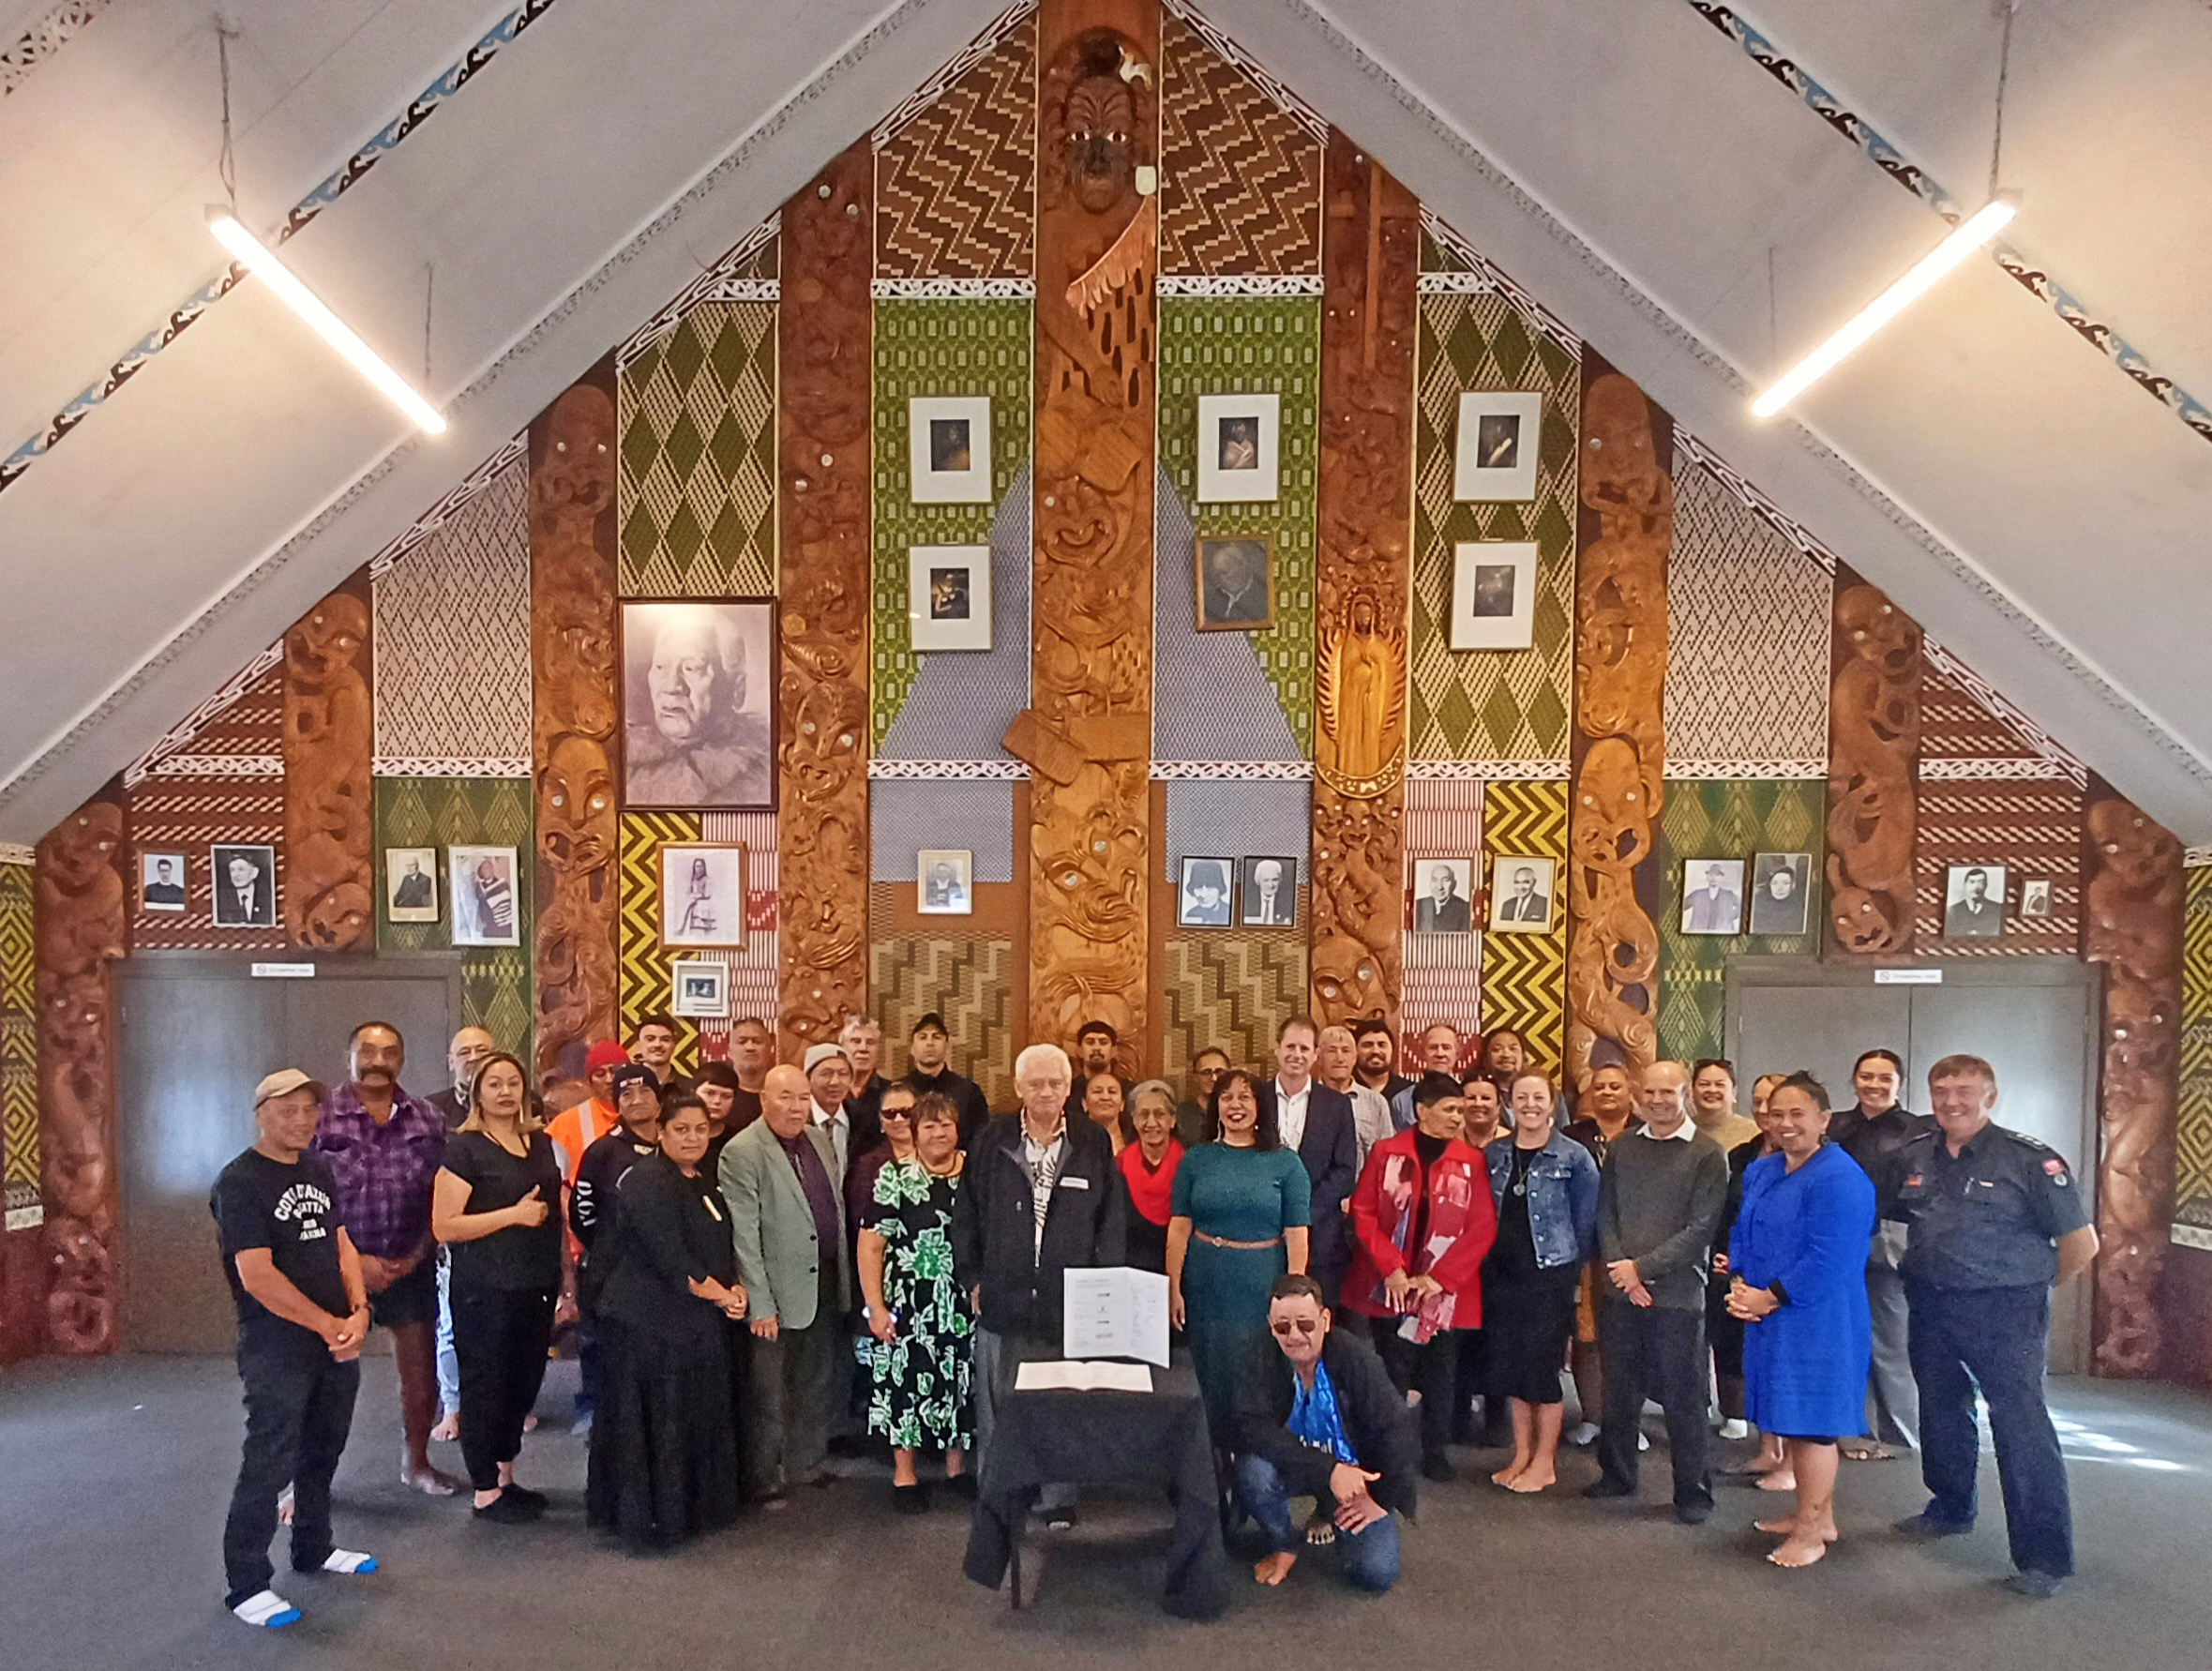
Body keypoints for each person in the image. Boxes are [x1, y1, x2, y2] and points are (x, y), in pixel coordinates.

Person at [1884, 1055, 2099, 1598]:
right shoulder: (1914, 1156)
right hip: (1931, 1304)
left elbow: (2081, 1245)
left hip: (2005, 1313)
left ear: (1991, 1097)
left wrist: (2030, 1288)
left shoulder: (2030, 1160)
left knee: (2020, 1426)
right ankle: (1950, 1506)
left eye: (1965, 1091)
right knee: (1940, 1407)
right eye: (1941, 1090)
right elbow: (1898, 1225)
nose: (1951, 1101)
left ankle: (2044, 1557)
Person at [213, 1070, 377, 1630]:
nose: (302, 1120)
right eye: (287, 1111)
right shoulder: (239, 1182)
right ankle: (247, 1584)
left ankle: (314, 1547)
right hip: (275, 1343)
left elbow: (341, 1242)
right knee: (270, 1456)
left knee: (324, 1448)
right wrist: (326, 1323)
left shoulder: (317, 1167)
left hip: (333, 1335)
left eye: (309, 1109)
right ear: (260, 1114)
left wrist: (358, 1311)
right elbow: (256, 1275)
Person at [953, 1043, 1127, 1526]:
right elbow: (965, 1216)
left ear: (1069, 1088)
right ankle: (1002, 1494)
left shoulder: (1092, 1141)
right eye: (1036, 1083)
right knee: (1000, 1406)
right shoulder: (991, 1140)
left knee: (1061, 1403)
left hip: (1068, 1301)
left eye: (1055, 1083)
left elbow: (1111, 1221)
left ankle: (1058, 1498)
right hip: (1002, 1297)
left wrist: (1104, 1288)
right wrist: (971, 1280)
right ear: (1017, 1088)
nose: (1046, 1092)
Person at [1726, 1072, 1875, 1570]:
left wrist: (1770, 1297)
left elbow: (1830, 1259)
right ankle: (1816, 1515)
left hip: (1820, 1318)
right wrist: (1742, 1285)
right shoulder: (1763, 1170)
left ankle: (1811, 1532)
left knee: (1815, 1425)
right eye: (1776, 1114)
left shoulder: (1843, 1178)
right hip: (1769, 1314)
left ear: (1824, 1120)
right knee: (1788, 1415)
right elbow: (1742, 1230)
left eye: (1798, 1115)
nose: (1786, 1124)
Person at [589, 1092, 749, 1549]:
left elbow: (716, 1244)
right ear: (661, 1132)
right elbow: (670, 1255)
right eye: (681, 1129)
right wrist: (723, 1297)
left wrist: (733, 1287)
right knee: (658, 1422)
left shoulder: (701, 1178)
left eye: (701, 1129)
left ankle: (692, 1509)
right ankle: (653, 1518)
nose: (693, 1137)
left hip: (693, 1320)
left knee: (690, 1416)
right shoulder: (646, 1180)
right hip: (647, 1324)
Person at [311, 1021, 457, 1495]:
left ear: (402, 1059)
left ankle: (417, 1463)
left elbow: (442, 1193)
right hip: (333, 1269)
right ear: (348, 1055)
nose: (377, 1062)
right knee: (321, 1380)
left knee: (419, 1378)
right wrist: (354, 1261)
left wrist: (416, 1255)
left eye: (389, 1052)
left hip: (407, 1265)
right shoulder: (319, 1117)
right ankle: (306, 1480)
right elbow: (306, 1197)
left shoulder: (428, 1119)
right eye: (367, 1052)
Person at [1584, 1061, 1729, 1524]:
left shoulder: (1708, 1153)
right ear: (1637, 1095)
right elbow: (1605, 1214)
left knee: (1684, 1397)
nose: (1659, 1099)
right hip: (1621, 1291)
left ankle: (1693, 1491)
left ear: (1685, 1093)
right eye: (1650, 1091)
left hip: (1678, 1295)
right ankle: (1618, 1474)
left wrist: (1641, 1270)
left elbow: (1702, 1229)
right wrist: (1622, 1274)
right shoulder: (1624, 1146)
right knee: (1619, 1389)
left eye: (1668, 1091)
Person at [429, 1051, 562, 1522]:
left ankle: (506, 1477)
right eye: (494, 1084)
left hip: (536, 1283)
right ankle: (485, 1489)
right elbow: (445, 1226)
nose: (505, 1091)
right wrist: (513, 1216)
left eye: (513, 1083)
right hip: (484, 1288)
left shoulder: (540, 1143)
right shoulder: (463, 1148)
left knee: (522, 1382)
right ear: (476, 1093)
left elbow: (552, 1212)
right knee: (486, 1386)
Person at [1344, 1073, 1497, 1482]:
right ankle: (1390, 1448)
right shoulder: (1386, 1153)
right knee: (1391, 1371)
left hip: (1444, 1291)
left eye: (1461, 1110)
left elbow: (1481, 1227)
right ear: (1422, 1111)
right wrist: (1391, 1268)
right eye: (1449, 1110)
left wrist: (1438, 1278)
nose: (1458, 1118)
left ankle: (1435, 1450)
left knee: (1441, 1374)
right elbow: (1364, 1213)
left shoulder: (1470, 1160)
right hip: (1388, 1286)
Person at [1229, 1275, 1419, 1594]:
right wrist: (1328, 1470)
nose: (1294, 1336)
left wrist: (1381, 1499)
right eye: (1282, 1327)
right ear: (1269, 1325)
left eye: (1305, 1324)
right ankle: (1283, 1544)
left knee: (1375, 1573)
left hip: (1355, 1477)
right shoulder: (1257, 1354)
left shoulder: (1355, 1358)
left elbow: (1397, 1429)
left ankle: (1329, 1510)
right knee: (1252, 1469)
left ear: (1325, 1319)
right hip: (1308, 1467)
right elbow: (1250, 1428)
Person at [722, 1062, 848, 1506]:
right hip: (773, 1293)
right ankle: (765, 1477)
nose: (796, 1107)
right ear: (763, 1100)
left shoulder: (817, 1139)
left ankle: (805, 1465)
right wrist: (759, 1301)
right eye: (785, 1097)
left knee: (814, 1381)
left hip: (824, 1281)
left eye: (801, 1098)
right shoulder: (742, 1151)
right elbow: (744, 1234)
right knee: (768, 1391)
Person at [1169, 1068, 1314, 1433]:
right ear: (1216, 1106)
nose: (1236, 1105)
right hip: (1205, 1279)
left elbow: (1297, 1234)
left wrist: (1295, 1293)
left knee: (1256, 1371)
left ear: (1260, 1106)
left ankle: (1253, 1457)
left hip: (1261, 1279)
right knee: (1208, 1369)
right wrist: (1172, 1287)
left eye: (1245, 1097)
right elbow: (1179, 1226)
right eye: (1227, 1097)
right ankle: (1208, 1463)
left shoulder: (1286, 1163)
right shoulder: (1195, 1159)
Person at [857, 1092, 975, 1513]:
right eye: (929, 1125)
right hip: (909, 1298)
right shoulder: (895, 1176)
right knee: (904, 1382)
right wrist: (876, 1306)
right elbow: (871, 1245)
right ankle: (904, 1474)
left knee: (960, 1378)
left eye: (946, 1124)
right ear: (914, 1131)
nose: (938, 1132)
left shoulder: (974, 1172)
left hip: (963, 1297)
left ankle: (956, 1468)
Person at [1483, 1072, 1599, 1494]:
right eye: (1521, 1097)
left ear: (1552, 1105)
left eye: (1538, 1097)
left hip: (1550, 1275)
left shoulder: (1574, 1157)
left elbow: (1587, 1224)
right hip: (1502, 1275)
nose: (1529, 1105)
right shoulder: (1494, 1153)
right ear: (1509, 1103)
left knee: (1542, 1370)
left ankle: (1545, 1462)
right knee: (1513, 1368)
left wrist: (1570, 1276)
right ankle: (1521, 1455)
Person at [1828, 1047, 1929, 1459]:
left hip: (1886, 1241)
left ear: (1899, 1084)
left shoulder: (1917, 1130)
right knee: (1845, 1339)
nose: (1874, 1085)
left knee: (1889, 1339)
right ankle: (1852, 1431)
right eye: (1866, 1076)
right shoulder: (1835, 1125)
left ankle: (1899, 1436)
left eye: (1884, 1078)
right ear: (1854, 1080)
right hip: (1834, 1241)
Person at [546, 1039, 629, 1432]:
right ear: (589, 1078)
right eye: (600, 1073)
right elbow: (556, 1188)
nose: (609, 1079)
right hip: (587, 1245)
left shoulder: (649, 1114)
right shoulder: (567, 1123)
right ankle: (591, 1409)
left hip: (634, 1249)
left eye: (616, 1070)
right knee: (592, 1336)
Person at [1254, 1017, 1358, 1304]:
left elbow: (1345, 1170)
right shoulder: (1255, 1098)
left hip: (1320, 1234)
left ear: (1315, 1055)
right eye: (1290, 1046)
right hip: (1261, 1230)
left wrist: (1303, 1211)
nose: (1296, 1055)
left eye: (1304, 1048)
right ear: (1277, 1050)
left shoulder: (1337, 1105)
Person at [426, 1026, 497, 1445]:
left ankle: (508, 1406)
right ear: (450, 1061)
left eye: (481, 1050)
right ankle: (452, 1407)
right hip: (453, 1237)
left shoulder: (522, 1103)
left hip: (509, 1234)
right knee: (451, 1329)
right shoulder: (432, 1111)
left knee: (504, 1329)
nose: (472, 1057)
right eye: (463, 1052)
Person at [1562, 1062, 1640, 1445]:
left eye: (1615, 1086)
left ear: (1630, 1092)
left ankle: (1628, 1423)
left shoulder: (1647, 1133)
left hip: (1636, 1253)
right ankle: (1592, 1417)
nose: (1607, 1092)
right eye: (1600, 1087)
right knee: (1587, 1337)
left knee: (1629, 1339)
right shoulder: (1572, 1137)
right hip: (1586, 1252)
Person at [624, 610, 772, 805]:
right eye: (660, 666)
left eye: (691, 668)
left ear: (737, 689)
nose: (671, 686)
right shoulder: (624, 755)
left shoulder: (763, 770)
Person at [1712, 1082, 1783, 1453]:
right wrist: (1729, 1257)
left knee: (1780, 1364)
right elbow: (1731, 1214)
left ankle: (1787, 1461)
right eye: (1760, 1103)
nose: (1767, 1111)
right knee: (1741, 1350)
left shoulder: (1810, 1160)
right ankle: (1768, 1451)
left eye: (1776, 1102)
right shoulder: (1743, 1156)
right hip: (1740, 1270)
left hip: (1782, 1279)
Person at [1117, 1080, 1185, 1273]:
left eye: (1160, 1114)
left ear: (1172, 1120)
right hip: (1130, 1272)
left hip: (1181, 1274)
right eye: (1143, 1114)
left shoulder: (1188, 1166)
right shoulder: (1117, 1167)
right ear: (1133, 1120)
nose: (1151, 1123)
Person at [844, 1083, 917, 1264]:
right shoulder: (866, 1168)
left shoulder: (941, 1160)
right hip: (885, 1264)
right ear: (881, 1122)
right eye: (890, 1114)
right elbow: (859, 1225)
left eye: (907, 1112)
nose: (899, 1119)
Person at [903, 1011, 991, 1147]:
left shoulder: (968, 1092)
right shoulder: (900, 1091)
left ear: (947, 1047)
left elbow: (981, 1141)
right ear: (912, 1048)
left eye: (936, 1037)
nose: (930, 1043)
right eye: (923, 1037)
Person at [1317, 1023, 1394, 1167]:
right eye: (1331, 1051)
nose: (1339, 1058)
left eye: (1346, 1051)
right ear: (1318, 1057)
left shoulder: (1376, 1102)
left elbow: (1387, 1155)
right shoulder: (1309, 1099)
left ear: (1355, 1058)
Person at [803, 1040, 858, 1176]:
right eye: (826, 1074)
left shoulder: (862, 1119)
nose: (835, 1082)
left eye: (843, 1074)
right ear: (808, 1079)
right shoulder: (798, 1120)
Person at [840, 1015, 891, 1157]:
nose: (863, 1048)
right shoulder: (829, 1093)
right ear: (842, 1047)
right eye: (855, 1041)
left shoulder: (891, 1094)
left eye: (870, 1042)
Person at [1690, 1058, 1759, 1152]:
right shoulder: (1681, 1129)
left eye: (1720, 1085)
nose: (1712, 1090)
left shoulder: (1753, 1133)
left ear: (1734, 1093)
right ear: (1692, 1092)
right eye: (1704, 1084)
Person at [1067, 1017, 1129, 1120]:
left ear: (1114, 1051)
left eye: (1103, 1042)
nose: (1096, 1048)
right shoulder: (1069, 1091)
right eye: (1090, 1042)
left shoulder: (1128, 1091)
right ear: (1079, 1051)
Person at [1351, 1018, 1415, 1110]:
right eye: (1368, 1045)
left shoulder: (1408, 1092)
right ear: (1355, 1050)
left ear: (1392, 1050)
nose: (1375, 1051)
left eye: (1382, 1045)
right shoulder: (1345, 1089)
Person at [695, 1061, 748, 1169]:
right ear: (693, 1092)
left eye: (726, 1096)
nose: (717, 1101)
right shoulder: (677, 1134)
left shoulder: (739, 1140)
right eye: (710, 1093)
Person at [1174, 1046, 1230, 1149]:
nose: (1214, 1078)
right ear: (1195, 1077)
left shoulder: (1238, 1110)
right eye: (1206, 1072)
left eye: (1219, 1071)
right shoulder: (1183, 1113)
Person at [633, 1013, 693, 1099]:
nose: (658, 1044)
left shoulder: (690, 1089)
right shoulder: (627, 1086)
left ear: (673, 1045)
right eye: (650, 1039)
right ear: (638, 1045)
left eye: (665, 1039)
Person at [727, 1016, 773, 1130]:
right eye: (742, 1042)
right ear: (729, 1051)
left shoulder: (781, 1094)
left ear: (770, 1049)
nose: (750, 1047)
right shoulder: (717, 1098)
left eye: (757, 1041)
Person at [1749, 857, 1805, 935]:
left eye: (1786, 883)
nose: (1779, 888)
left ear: (1793, 885)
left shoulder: (1800, 905)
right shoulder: (1758, 904)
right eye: (1774, 883)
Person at [1683, 863, 1742, 934]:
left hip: (1722, 934)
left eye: (1717, 875)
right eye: (1711, 875)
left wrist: (1730, 915)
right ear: (1707, 877)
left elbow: (1743, 906)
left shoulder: (1728, 895)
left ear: (1721, 877)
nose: (1714, 878)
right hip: (1700, 933)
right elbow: (1681, 906)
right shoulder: (1697, 894)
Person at [1945, 866, 2002, 938]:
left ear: (1986, 885)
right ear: (1965, 885)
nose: (1976, 887)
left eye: (1981, 882)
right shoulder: (1952, 912)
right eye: (1972, 882)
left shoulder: (1999, 910)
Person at [1082, 1071, 1131, 1154]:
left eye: (1112, 1092)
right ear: (1084, 1104)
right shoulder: (1072, 1142)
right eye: (1097, 1091)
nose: (1105, 1097)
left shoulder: (1135, 1141)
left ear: (1122, 1104)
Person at [1414, 863, 1471, 932]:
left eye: (1445, 880)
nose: (1440, 887)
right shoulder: (1418, 905)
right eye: (1435, 880)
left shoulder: (1464, 909)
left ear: (1454, 884)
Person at [1181, 861, 1234, 926]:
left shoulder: (1229, 913)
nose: (1204, 895)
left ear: (1219, 889)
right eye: (1199, 887)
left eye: (1210, 887)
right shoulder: (1191, 914)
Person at [1245, 857, 1292, 926]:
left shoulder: (1288, 902)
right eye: (1266, 880)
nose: (1271, 885)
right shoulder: (1247, 901)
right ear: (1258, 881)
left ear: (1280, 880)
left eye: (1275, 880)